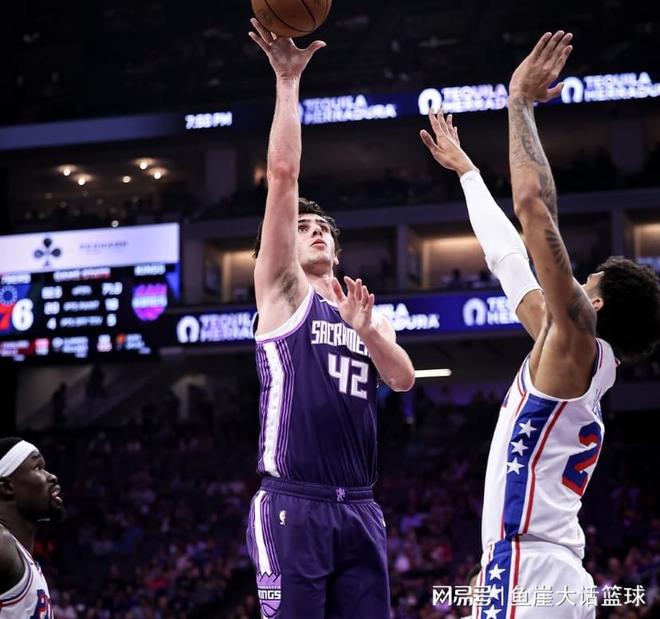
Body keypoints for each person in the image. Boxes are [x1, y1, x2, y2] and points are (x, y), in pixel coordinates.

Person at [420, 32, 660, 619]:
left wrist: (519, 103)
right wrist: (468, 173)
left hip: (528, 570)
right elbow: (509, 264)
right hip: (552, 575)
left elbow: (533, 209)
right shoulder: (568, 354)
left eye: (586, 280)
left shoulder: (575, 340)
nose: (573, 281)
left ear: (594, 305)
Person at [246, 18, 416, 619]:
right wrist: (287, 82)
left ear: (337, 252)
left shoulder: (365, 313)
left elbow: (402, 379)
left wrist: (367, 331)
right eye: (303, 227)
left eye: (323, 229)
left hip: (360, 504)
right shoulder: (282, 290)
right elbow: (284, 177)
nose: (315, 231)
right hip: (293, 502)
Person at [0, 437, 64, 616]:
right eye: (37, 468)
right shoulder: (3, 544)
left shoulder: (19, 557)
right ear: (7, 486)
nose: (52, 476)